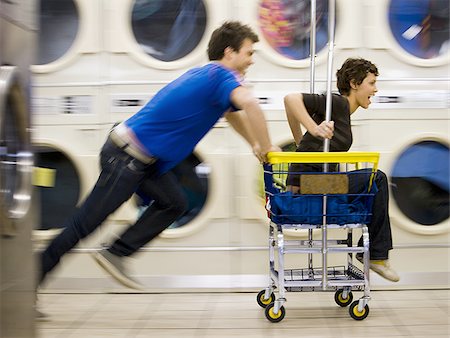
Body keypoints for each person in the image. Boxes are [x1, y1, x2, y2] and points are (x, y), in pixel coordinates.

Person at [39, 21, 280, 290]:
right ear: (229, 53)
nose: (251, 60)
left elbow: (232, 113)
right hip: (126, 159)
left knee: (174, 202)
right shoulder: (223, 77)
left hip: (140, 161)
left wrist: (254, 145)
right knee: (84, 224)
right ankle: (32, 280)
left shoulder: (209, 77)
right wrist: (268, 146)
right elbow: (250, 104)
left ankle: (116, 251)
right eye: (248, 53)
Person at [283, 57, 400, 282]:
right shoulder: (336, 104)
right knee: (376, 179)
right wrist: (313, 129)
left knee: (374, 183)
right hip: (309, 185)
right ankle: (376, 256)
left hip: (315, 182)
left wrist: (300, 141)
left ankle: (374, 252)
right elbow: (290, 99)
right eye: (371, 83)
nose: (375, 90)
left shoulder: (342, 113)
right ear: (355, 84)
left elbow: (292, 107)